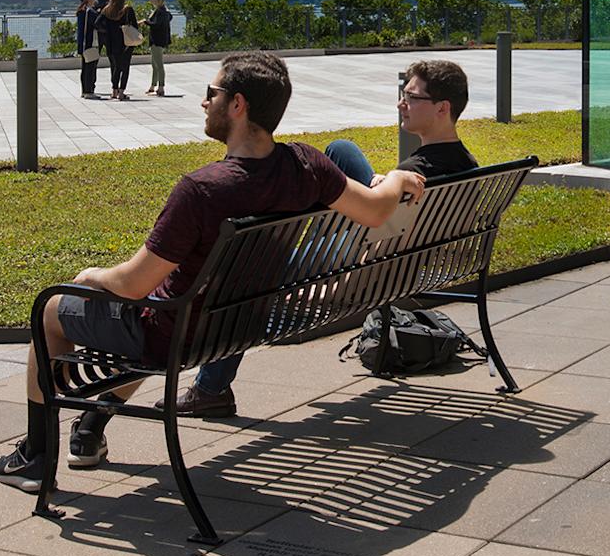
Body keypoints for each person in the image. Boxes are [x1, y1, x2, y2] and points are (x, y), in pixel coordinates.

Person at [0, 52, 424, 492]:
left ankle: (34, 456)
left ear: (237, 105)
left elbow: (132, 285)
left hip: (177, 335)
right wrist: (397, 179)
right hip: (237, 327)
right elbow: (373, 210)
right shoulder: (305, 165)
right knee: (163, 306)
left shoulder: (202, 190)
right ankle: (89, 429)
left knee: (51, 310)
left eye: (210, 93)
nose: (204, 103)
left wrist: (92, 274)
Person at [175, 58, 479, 416]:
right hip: (401, 264)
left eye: (411, 97)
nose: (401, 103)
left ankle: (211, 389)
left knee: (246, 272)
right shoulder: (466, 167)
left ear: (442, 108)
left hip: (357, 268)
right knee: (341, 150)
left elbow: (378, 235)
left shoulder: (413, 176)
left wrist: (385, 189)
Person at [98, 0, 136, 101]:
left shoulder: (106, 10)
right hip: (125, 43)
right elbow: (134, 27)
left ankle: (114, 91)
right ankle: (121, 92)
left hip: (110, 43)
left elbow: (97, 23)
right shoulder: (127, 10)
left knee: (115, 67)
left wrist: (107, 32)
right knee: (124, 68)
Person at [142, 0, 173, 97]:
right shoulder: (161, 10)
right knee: (154, 64)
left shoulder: (160, 12)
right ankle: (153, 85)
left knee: (159, 64)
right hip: (157, 40)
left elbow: (155, 24)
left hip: (157, 41)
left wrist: (145, 22)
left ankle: (161, 87)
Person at [74, 0, 101, 98]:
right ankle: (89, 91)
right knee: (90, 67)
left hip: (83, 44)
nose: (95, 0)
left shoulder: (81, 11)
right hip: (90, 43)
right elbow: (97, 24)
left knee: (85, 68)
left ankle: (84, 90)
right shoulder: (90, 12)